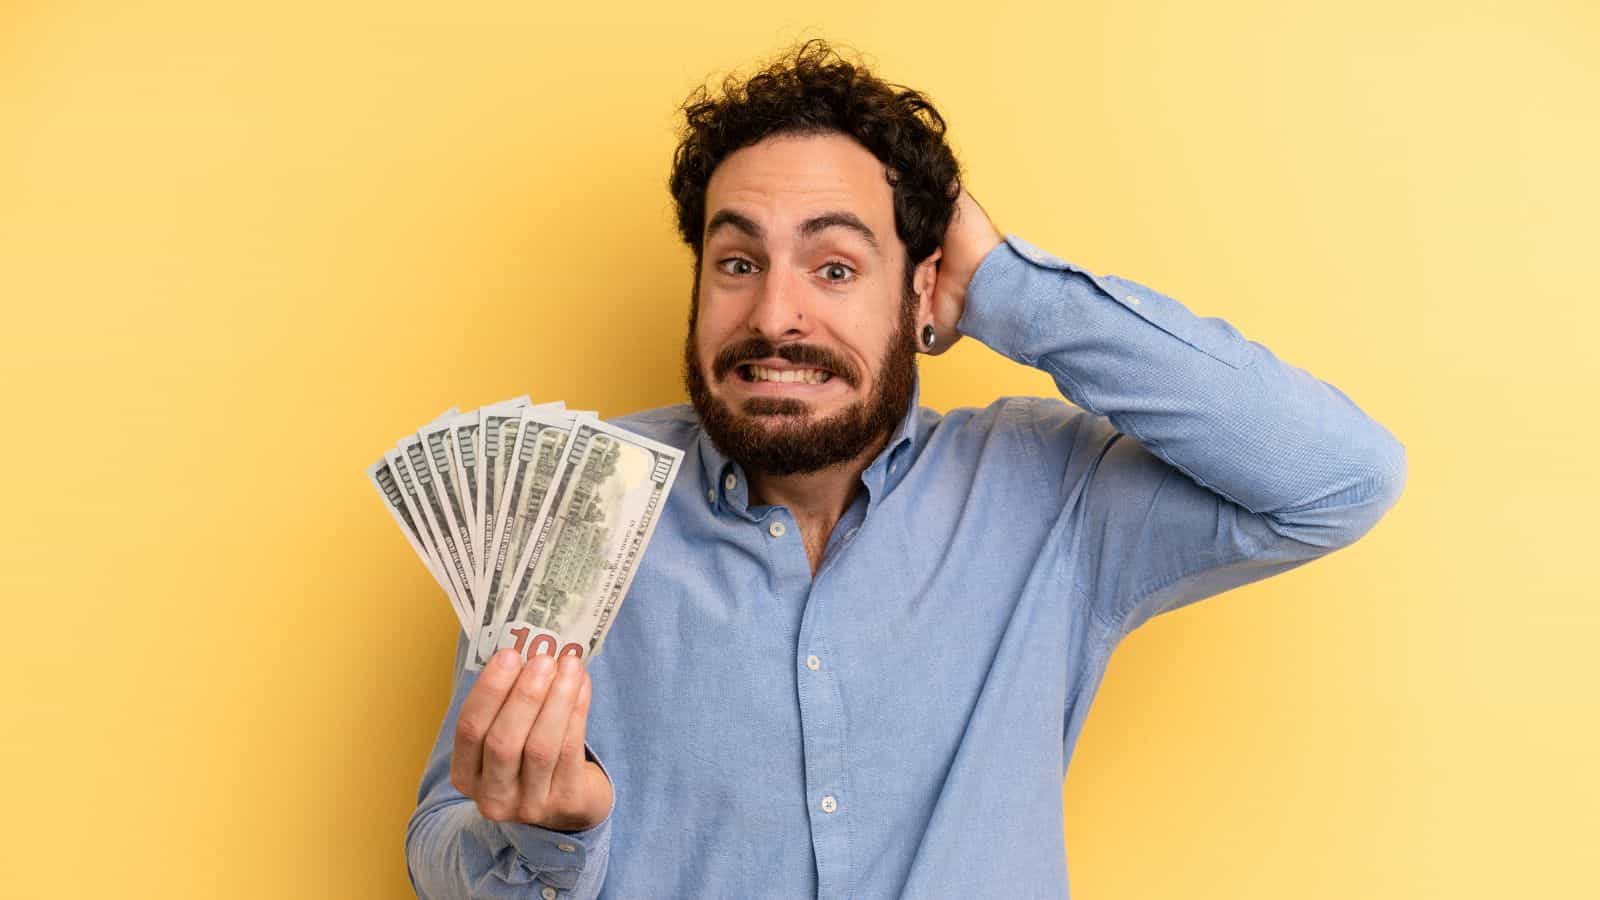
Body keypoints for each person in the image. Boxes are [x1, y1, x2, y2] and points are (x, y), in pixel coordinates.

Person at [404, 38, 1407, 899]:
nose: (772, 316)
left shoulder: (1049, 498)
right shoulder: (566, 502)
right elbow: (435, 849)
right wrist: (545, 837)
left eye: (834, 267)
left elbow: (1338, 478)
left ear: (924, 290)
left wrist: (1010, 291)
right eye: (737, 262)